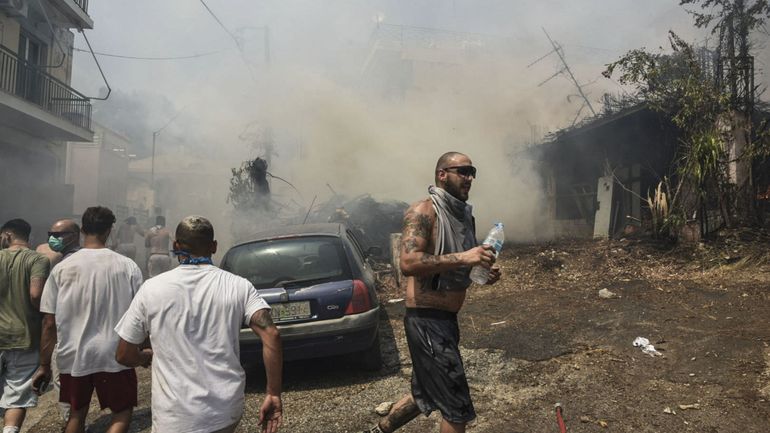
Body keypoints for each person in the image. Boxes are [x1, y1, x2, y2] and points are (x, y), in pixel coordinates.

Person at [364, 152, 501, 433]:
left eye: (472, 171)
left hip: (445, 321)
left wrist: (482, 274)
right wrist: (467, 257)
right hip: (426, 321)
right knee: (456, 407)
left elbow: (459, 263)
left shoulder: (463, 217)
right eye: (462, 171)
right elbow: (409, 262)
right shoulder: (423, 212)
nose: (469, 177)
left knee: (424, 392)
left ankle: (380, 430)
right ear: (441, 174)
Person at [115, 215, 283, 433]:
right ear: (214, 246)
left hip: (174, 416)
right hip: (224, 411)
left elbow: (123, 354)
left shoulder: (151, 288)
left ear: (176, 246)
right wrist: (273, 393)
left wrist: (144, 357)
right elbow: (272, 335)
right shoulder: (239, 286)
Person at [33, 207, 144, 433]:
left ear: (82, 230)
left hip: (73, 355)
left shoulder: (62, 269)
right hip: (115, 354)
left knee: (76, 413)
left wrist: (44, 364)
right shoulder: (127, 266)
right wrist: (142, 351)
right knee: (122, 412)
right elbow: (140, 314)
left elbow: (49, 322)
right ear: (109, 231)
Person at [0, 219, 51, 433]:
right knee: (16, 397)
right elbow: (35, 293)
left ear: (7, 235)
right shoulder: (38, 259)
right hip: (26, 337)